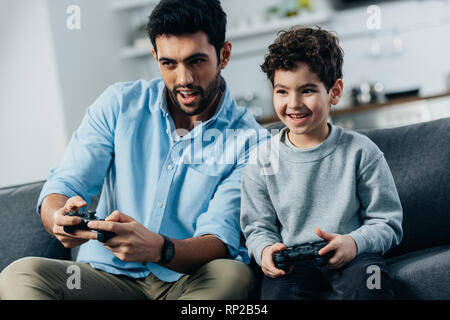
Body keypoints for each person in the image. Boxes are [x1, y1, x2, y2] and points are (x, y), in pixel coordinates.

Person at [0, 0, 269, 300]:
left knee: (232, 274)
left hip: (188, 280)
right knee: (21, 274)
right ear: (155, 56)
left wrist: (159, 248)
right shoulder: (118, 105)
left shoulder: (251, 142)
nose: (184, 79)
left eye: (196, 61)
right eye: (169, 63)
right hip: (105, 278)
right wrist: (57, 217)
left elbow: (220, 239)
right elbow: (65, 183)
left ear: (224, 55)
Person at [240, 26, 403, 300]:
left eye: (307, 90)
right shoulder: (260, 161)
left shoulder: (362, 151)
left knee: (372, 284)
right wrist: (265, 250)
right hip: (292, 262)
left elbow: (387, 222)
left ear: (334, 91)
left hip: (356, 256)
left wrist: (354, 242)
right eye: (282, 91)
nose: (293, 103)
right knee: (274, 295)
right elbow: (257, 228)